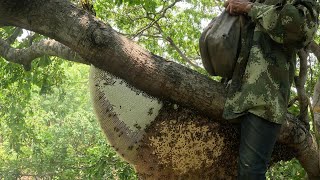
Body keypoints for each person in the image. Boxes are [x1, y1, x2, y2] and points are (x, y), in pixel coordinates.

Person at [222, 0, 319, 179]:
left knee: (250, 173)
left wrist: (250, 8)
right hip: (231, 91)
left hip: (263, 98)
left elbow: (300, 30)